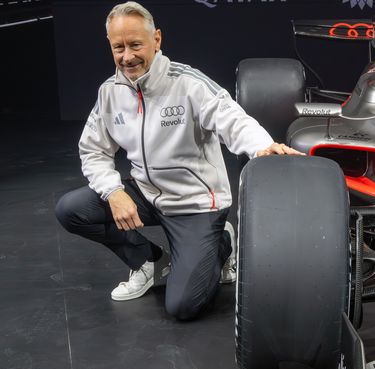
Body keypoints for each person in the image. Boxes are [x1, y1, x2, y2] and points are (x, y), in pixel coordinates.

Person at [55, 1, 302, 320]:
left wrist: (262, 147)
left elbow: (232, 120)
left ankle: (222, 241)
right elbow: (93, 150)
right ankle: (148, 261)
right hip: (146, 193)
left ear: (156, 40)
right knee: (71, 210)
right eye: (119, 47)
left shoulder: (188, 82)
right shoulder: (110, 92)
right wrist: (114, 192)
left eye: (135, 45)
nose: (127, 56)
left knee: (184, 306)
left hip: (196, 202)